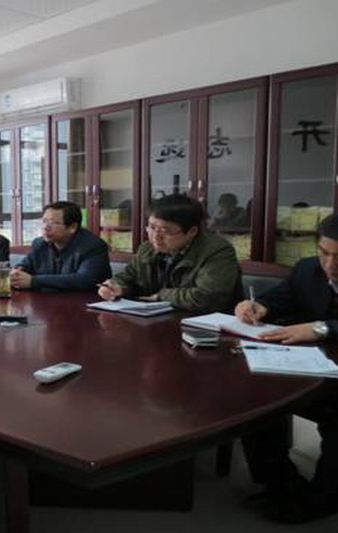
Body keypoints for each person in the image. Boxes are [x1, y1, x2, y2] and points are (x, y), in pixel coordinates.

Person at [235, 214, 338, 524]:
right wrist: (258, 307)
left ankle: (322, 501)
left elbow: (321, 326)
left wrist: (321, 328)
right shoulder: (307, 269)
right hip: (314, 368)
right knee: (256, 401)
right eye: (324, 252)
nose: (330, 264)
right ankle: (280, 482)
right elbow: (281, 298)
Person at [98, 194, 241, 312]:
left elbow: (208, 297)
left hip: (203, 324)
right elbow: (127, 276)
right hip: (155, 321)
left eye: (165, 230)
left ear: (192, 231)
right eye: (152, 227)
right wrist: (116, 287)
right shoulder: (147, 248)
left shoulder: (217, 251)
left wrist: (162, 296)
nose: (156, 236)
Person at [11, 201, 111, 291]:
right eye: (44, 221)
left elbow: (85, 280)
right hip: (46, 302)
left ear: (72, 227)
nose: (45, 227)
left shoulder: (93, 246)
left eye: (52, 223)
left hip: (82, 303)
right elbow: (26, 265)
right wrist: (18, 272)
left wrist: (34, 281)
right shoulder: (39, 243)